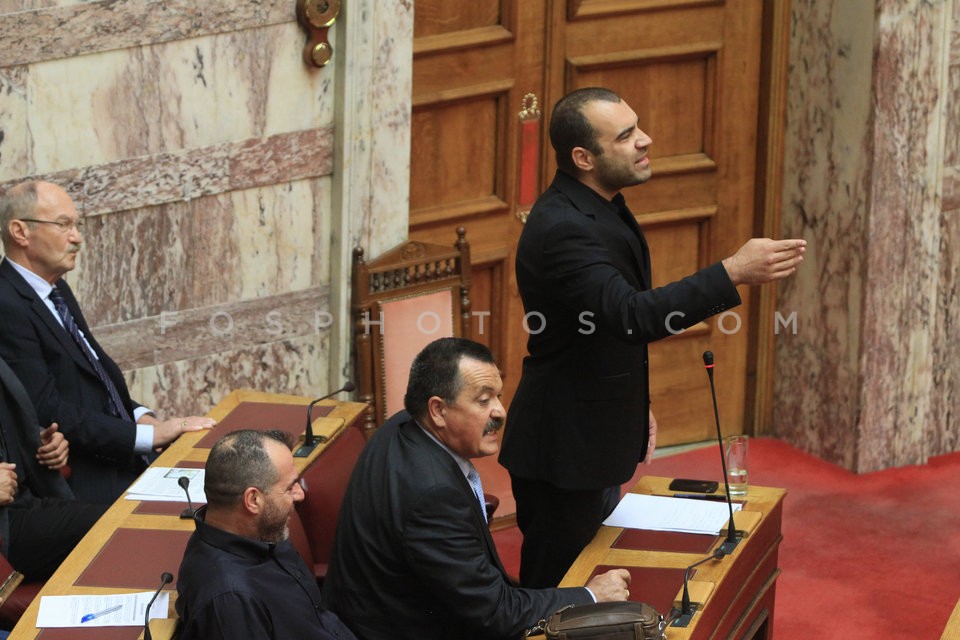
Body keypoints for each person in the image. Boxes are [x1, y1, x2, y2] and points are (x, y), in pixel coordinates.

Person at [498, 87, 808, 588]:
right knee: (559, 596)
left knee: (592, 585)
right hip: (564, 450)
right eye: (626, 136)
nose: (646, 139)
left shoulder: (598, 204)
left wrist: (630, 400)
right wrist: (732, 272)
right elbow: (631, 316)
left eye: (637, 126)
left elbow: (602, 326)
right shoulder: (562, 228)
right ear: (584, 158)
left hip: (592, 432)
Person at [323, 337, 631, 640]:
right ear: (438, 410)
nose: (500, 412)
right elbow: (496, 613)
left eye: (498, 396)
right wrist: (590, 595)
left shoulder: (400, 426)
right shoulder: (433, 496)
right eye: (483, 401)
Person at [0, 181, 213, 504]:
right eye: (63, 225)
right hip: (84, 477)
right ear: (20, 232)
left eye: (77, 225)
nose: (77, 237)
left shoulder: (56, 291)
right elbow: (47, 409)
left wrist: (143, 418)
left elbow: (94, 379)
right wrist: (147, 436)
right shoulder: (6, 303)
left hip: (119, 454)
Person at [175, 429, 356, 640]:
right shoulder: (231, 600)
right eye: (289, 488)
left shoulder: (262, 532)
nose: (300, 494)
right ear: (253, 500)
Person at [0, 355, 106, 586]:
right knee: (110, 530)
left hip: (28, 497)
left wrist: (38, 441)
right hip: (7, 527)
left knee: (121, 520)